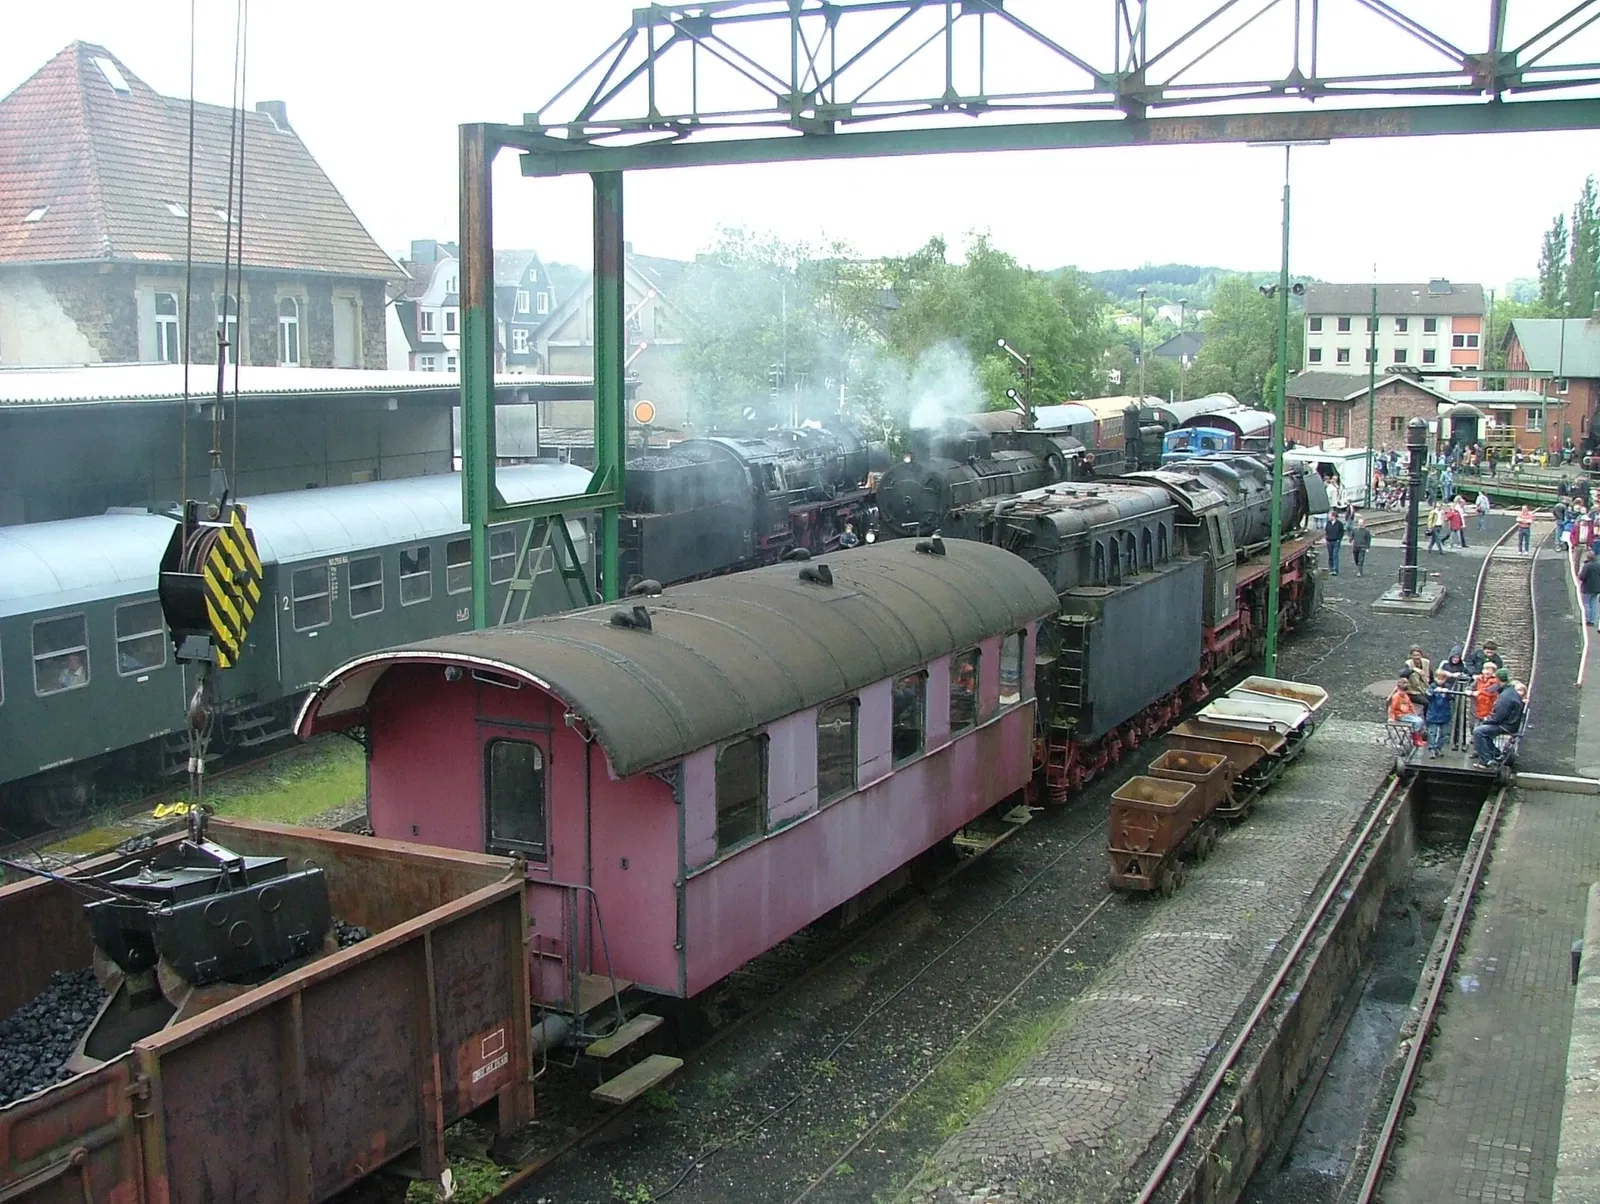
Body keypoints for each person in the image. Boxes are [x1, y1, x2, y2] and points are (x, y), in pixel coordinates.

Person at [1473, 669, 1526, 766]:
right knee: (1484, 732)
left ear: (1498, 679)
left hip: (1506, 726)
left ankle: (1485, 761)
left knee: (1478, 731)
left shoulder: (1505, 697)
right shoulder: (1510, 691)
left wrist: (1487, 720)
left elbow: (1498, 717)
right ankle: (1496, 755)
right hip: (1511, 723)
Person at [1424, 669, 1454, 758]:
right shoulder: (1431, 687)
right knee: (1432, 733)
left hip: (1444, 715)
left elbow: (1452, 697)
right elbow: (1427, 696)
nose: (1440, 681)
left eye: (1442, 679)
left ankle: (1438, 748)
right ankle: (1431, 749)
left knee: (1444, 734)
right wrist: (1434, 691)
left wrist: (1447, 693)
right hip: (1433, 714)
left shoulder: (1448, 687)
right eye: (1438, 678)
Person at [1323, 511, 1345, 576]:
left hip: (1336, 541)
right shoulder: (1328, 523)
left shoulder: (1339, 524)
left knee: (1335, 555)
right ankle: (1331, 568)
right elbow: (1326, 531)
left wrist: (1339, 540)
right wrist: (1326, 538)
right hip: (1329, 541)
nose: (1328, 517)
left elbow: (1341, 532)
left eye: (1329, 516)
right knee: (1330, 555)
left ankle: (1335, 569)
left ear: (1333, 516)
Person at [1583, 550, 1600, 628]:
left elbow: (1582, 576)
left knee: (1586, 604)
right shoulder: (1598, 565)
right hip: (1597, 588)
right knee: (1593, 603)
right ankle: (1592, 620)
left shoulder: (1587, 566)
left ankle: (1587, 619)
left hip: (1587, 588)